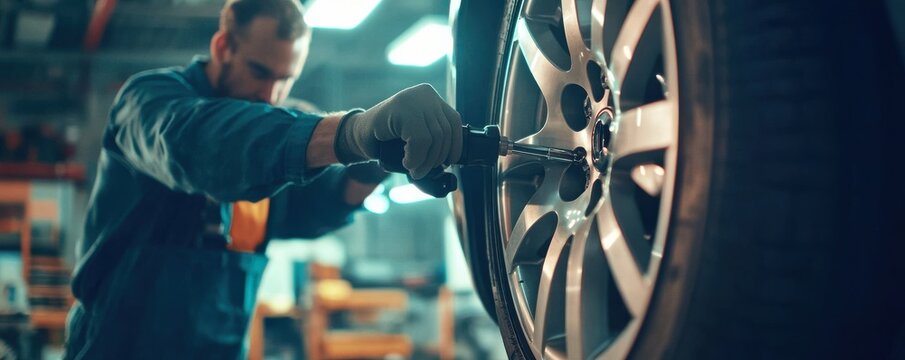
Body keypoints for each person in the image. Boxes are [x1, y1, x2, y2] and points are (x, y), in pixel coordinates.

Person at [63, 0, 462, 358]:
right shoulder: (149, 100)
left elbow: (310, 206)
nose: (271, 94)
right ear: (223, 48)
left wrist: (372, 164)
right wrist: (352, 132)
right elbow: (202, 147)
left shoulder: (281, 127)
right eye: (260, 72)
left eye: (285, 78)